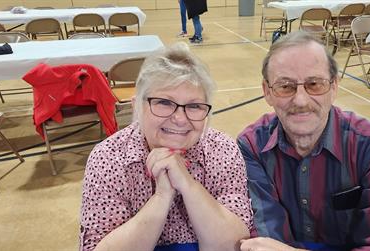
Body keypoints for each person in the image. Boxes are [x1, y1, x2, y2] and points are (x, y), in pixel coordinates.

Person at [237, 30, 370, 250]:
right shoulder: (251, 148)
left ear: (334, 87)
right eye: (285, 86)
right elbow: (265, 240)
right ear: (267, 91)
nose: (301, 100)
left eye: (314, 84)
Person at [79, 43, 252, 251]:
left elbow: (235, 246)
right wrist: (162, 197)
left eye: (194, 106)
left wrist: (188, 185)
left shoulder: (223, 150)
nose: (180, 119)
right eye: (163, 102)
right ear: (137, 107)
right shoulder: (108, 158)